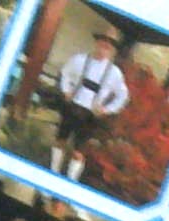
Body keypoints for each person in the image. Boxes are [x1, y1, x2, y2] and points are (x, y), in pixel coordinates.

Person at [47, 26, 130, 182]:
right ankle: (53, 174)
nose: (104, 46)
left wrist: (107, 109)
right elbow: (65, 73)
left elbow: (123, 96)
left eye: (109, 45)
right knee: (60, 141)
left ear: (112, 50)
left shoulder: (114, 73)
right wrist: (66, 90)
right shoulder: (79, 60)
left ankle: (71, 182)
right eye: (102, 42)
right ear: (97, 42)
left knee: (79, 151)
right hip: (73, 106)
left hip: (91, 114)